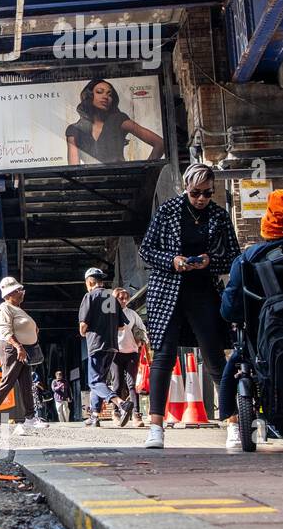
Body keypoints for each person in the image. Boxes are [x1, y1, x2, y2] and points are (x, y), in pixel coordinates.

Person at [139, 163, 241, 448]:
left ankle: (232, 424)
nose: (201, 199)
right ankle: (156, 428)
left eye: (207, 194)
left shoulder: (219, 216)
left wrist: (210, 261)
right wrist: (172, 261)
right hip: (167, 292)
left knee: (214, 356)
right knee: (163, 356)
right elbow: (146, 249)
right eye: (196, 193)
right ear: (186, 187)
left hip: (202, 290)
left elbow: (233, 256)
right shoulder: (169, 210)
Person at [219, 190, 283, 451]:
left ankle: (234, 424)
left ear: (267, 219)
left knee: (233, 367)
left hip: (263, 344)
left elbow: (229, 310)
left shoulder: (248, 258)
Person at [0, 276, 45, 433]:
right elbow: (4, 330)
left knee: (26, 383)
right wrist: (18, 346)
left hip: (21, 349)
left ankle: (30, 418)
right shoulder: (4, 308)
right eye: (18, 290)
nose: (22, 292)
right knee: (8, 380)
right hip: (11, 349)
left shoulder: (17, 309)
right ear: (9, 294)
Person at [65, 78, 165, 166]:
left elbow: (160, 143)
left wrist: (146, 170)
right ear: (89, 96)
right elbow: (74, 170)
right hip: (93, 183)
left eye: (109, 94)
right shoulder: (74, 130)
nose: (105, 97)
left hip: (122, 180)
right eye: (100, 92)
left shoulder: (118, 120)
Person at [79, 268, 129, 427]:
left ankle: (121, 403)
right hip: (112, 346)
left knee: (94, 382)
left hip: (96, 344)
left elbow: (83, 325)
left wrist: (85, 331)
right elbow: (121, 327)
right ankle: (94, 416)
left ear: (90, 282)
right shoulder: (112, 298)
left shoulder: (90, 296)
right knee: (99, 381)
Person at [113, 287, 149, 427]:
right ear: (114, 299)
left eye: (125, 298)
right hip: (115, 353)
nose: (123, 301)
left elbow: (142, 329)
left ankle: (136, 415)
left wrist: (141, 339)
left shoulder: (132, 314)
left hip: (132, 353)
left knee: (132, 385)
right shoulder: (110, 314)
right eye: (120, 298)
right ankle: (115, 413)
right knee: (117, 384)